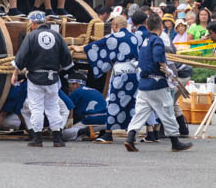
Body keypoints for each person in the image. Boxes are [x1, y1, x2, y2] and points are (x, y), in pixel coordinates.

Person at [125, 11, 192, 152]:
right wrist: (167, 69)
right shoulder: (157, 40)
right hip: (156, 83)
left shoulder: (145, 41)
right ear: (161, 26)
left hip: (144, 83)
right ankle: (175, 142)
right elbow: (158, 57)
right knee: (167, 111)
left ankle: (130, 138)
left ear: (147, 26)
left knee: (140, 113)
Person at [12, 9, 74, 148]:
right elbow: (67, 60)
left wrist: (15, 73)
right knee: (53, 107)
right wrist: (59, 69)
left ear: (33, 23)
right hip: (52, 77)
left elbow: (21, 57)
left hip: (35, 77)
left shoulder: (31, 36)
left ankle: (37, 138)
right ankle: (57, 138)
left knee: (36, 107)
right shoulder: (57, 36)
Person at [84, 11, 140, 142]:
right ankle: (131, 134)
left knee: (113, 102)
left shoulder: (114, 37)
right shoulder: (135, 37)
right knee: (132, 103)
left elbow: (96, 46)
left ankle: (108, 133)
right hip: (134, 74)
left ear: (115, 25)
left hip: (120, 75)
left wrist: (81, 48)